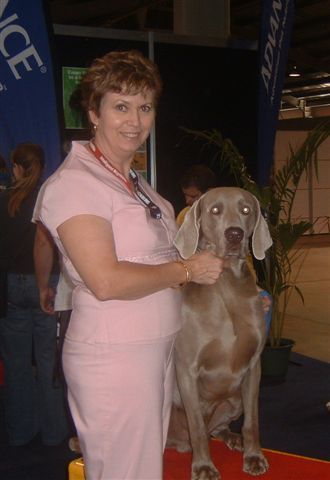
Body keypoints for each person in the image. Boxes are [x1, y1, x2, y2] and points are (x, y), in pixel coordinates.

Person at [35, 50, 223, 480]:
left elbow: (160, 265)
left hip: (152, 348)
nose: (134, 121)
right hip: (114, 355)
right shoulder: (76, 183)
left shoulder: (133, 181)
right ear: (93, 112)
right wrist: (188, 271)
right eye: (120, 106)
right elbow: (105, 279)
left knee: (139, 470)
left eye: (145, 107)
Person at [0, 142, 68, 446]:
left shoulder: (4, 201)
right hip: (48, 284)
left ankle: (19, 433)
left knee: (15, 364)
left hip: (12, 286)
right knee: (48, 362)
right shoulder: (52, 197)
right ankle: (54, 434)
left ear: (16, 167)